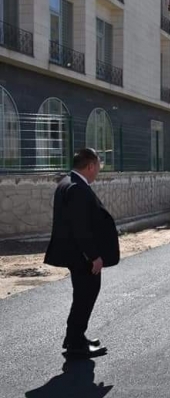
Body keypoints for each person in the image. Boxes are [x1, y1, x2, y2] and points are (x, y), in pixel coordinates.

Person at [44, 148, 120, 357]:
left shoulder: (67, 182)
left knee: (82, 295)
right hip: (81, 256)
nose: (98, 170)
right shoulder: (77, 188)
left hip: (75, 253)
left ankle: (74, 337)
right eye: (98, 166)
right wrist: (93, 256)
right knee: (85, 296)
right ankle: (76, 343)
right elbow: (80, 228)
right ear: (90, 166)